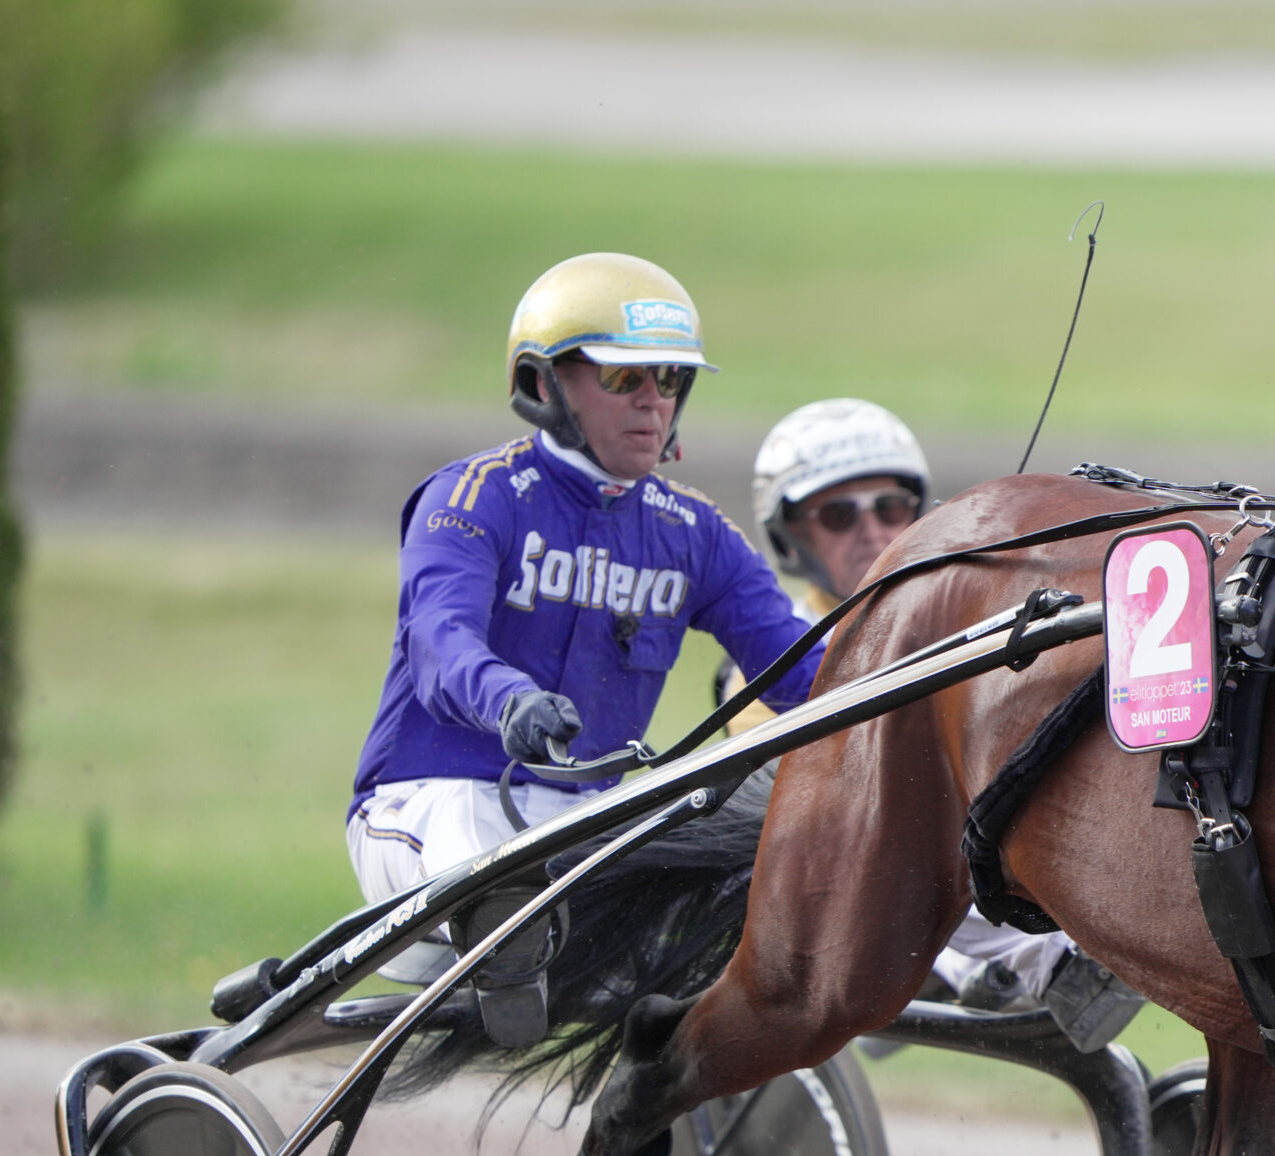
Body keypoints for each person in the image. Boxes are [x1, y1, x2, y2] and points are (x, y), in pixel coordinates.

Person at [347, 253, 823, 1052]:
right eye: (623, 379)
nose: (652, 403)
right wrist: (510, 701)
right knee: (481, 843)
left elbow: (808, 673)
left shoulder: (694, 532)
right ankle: (505, 927)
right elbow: (440, 640)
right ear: (544, 385)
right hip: (427, 811)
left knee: (737, 823)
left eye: (670, 381)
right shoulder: (470, 498)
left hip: (589, 831)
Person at [747, 399, 1142, 1046]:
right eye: (839, 514)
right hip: (847, 895)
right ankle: (988, 966)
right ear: (791, 537)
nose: (873, 531)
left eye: (893, 508)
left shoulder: (949, 628)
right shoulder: (773, 656)